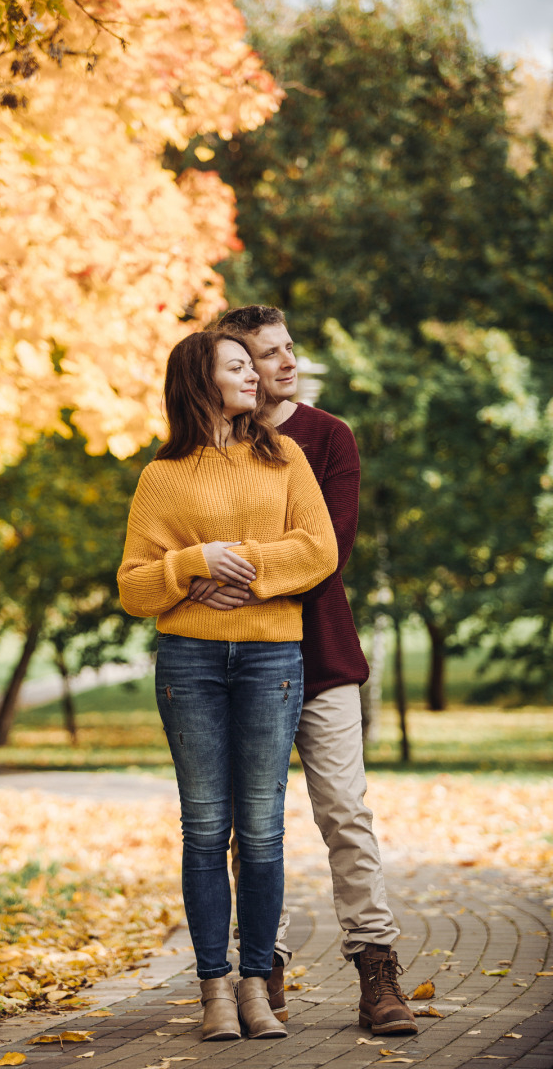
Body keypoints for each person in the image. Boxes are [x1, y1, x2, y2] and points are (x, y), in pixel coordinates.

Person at [187, 305, 418, 1036]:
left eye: (288, 350)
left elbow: (329, 552)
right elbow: (193, 543)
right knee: (253, 826)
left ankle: (376, 969)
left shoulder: (328, 438)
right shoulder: (210, 451)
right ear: (238, 371)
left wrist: (235, 572)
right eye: (265, 355)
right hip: (237, 660)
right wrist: (205, 569)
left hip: (322, 661)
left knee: (345, 814)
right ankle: (266, 967)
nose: (285, 364)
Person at [117, 330, 338, 1042]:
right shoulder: (162, 475)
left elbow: (318, 549)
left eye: (254, 366)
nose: (256, 377)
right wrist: (190, 564)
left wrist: (235, 566)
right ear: (201, 381)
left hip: (273, 661)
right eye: (238, 367)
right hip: (191, 664)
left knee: (265, 832)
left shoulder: (285, 457)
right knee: (207, 829)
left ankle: (255, 988)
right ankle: (213, 989)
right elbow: (133, 586)